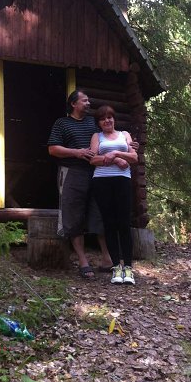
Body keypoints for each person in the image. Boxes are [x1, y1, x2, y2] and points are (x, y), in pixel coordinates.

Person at [47, 89, 112, 279]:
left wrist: (130, 144)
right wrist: (77, 152)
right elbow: (53, 149)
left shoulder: (93, 122)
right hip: (72, 173)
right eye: (84, 100)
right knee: (73, 215)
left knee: (99, 213)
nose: (88, 103)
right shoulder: (62, 123)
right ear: (74, 104)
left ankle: (107, 259)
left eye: (88, 100)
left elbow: (111, 135)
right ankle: (83, 261)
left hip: (97, 173)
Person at [90, 105, 138, 285]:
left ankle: (128, 268)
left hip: (123, 181)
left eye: (109, 117)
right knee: (109, 224)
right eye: (103, 119)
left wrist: (116, 153)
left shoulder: (125, 135)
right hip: (101, 182)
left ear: (114, 119)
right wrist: (116, 159)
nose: (107, 121)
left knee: (124, 223)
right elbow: (93, 159)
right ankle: (117, 267)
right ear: (99, 123)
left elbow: (134, 158)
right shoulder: (97, 137)